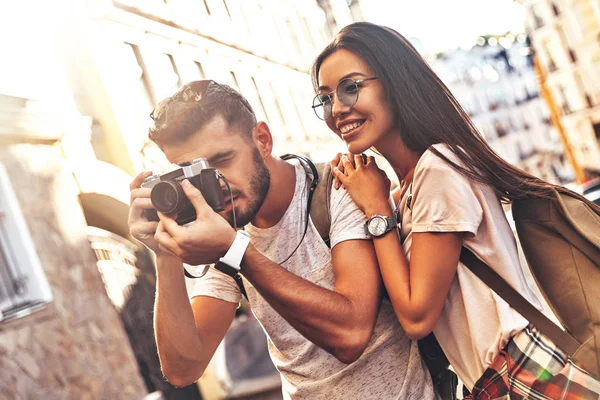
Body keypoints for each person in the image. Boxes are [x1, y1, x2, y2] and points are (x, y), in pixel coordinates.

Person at [311, 22, 600, 399]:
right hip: (493, 381)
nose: (337, 109)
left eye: (351, 88)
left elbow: (416, 316)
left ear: (395, 83)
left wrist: (376, 210)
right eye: (325, 97)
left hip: (522, 373)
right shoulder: (408, 191)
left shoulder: (440, 167)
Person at [127, 80, 435, 399]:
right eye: (193, 172)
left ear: (262, 140)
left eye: (220, 160)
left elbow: (351, 333)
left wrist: (237, 252)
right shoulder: (225, 228)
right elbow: (183, 369)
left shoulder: (339, 187)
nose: (213, 183)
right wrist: (164, 254)